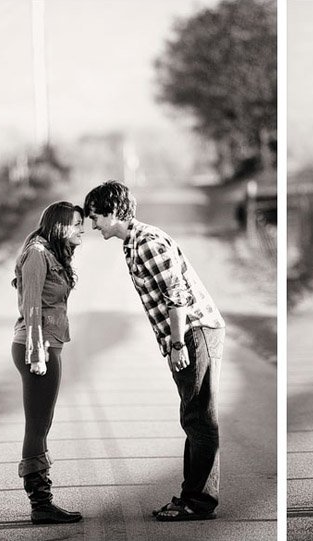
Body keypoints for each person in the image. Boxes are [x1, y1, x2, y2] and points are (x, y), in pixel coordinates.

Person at [83, 180, 225, 521]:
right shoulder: (131, 243)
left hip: (194, 332)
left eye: (95, 217)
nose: (92, 225)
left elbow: (177, 295)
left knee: (199, 417)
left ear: (114, 212)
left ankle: (199, 502)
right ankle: (192, 495)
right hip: (187, 334)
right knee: (193, 415)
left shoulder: (146, 242)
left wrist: (178, 343)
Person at [11, 201, 85, 524]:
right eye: (77, 224)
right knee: (38, 425)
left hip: (48, 344)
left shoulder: (52, 253)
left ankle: (41, 500)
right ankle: (41, 503)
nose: (82, 229)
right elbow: (31, 306)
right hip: (36, 345)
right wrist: (37, 352)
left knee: (43, 423)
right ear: (59, 225)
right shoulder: (38, 254)